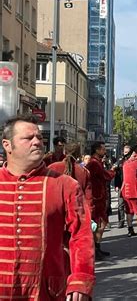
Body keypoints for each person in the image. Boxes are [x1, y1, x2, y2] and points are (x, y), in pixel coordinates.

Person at [0, 114, 94, 299]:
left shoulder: (65, 185)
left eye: (39, 138)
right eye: (28, 138)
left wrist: (80, 279)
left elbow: (81, 236)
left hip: (46, 291)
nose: (37, 142)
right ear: (7, 145)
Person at [86, 141, 116, 259]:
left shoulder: (97, 162)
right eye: (103, 149)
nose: (104, 151)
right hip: (96, 197)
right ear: (97, 150)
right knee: (100, 223)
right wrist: (113, 170)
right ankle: (95, 248)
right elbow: (105, 176)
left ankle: (97, 247)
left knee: (101, 223)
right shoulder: (94, 163)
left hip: (99, 196)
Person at [48, 142, 92, 210]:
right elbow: (88, 198)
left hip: (55, 210)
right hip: (76, 211)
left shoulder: (52, 167)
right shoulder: (84, 172)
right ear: (79, 154)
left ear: (64, 152)